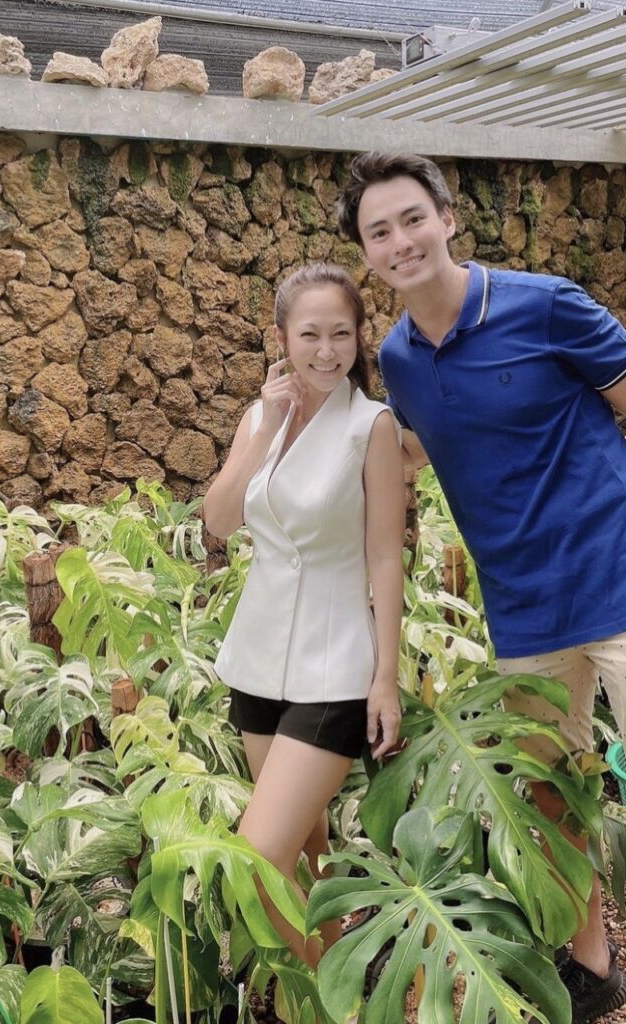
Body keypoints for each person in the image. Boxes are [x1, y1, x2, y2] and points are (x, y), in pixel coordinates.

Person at [336, 151, 626, 1024]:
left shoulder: (545, 303)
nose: (401, 241)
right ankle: (591, 963)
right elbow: (418, 448)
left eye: (412, 218)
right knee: (553, 802)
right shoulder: (400, 359)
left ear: (448, 218)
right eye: (379, 231)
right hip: (524, 611)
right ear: (366, 253)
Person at [203, 262, 405, 976]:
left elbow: (385, 557)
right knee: (306, 850)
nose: (326, 351)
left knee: (259, 855)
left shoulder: (371, 426)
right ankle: (318, 981)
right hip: (258, 659)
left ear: (359, 338)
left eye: (341, 335)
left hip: (336, 665)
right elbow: (219, 521)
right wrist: (265, 429)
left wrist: (386, 677)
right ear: (283, 338)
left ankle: (332, 1001)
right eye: (311, 335)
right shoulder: (259, 418)